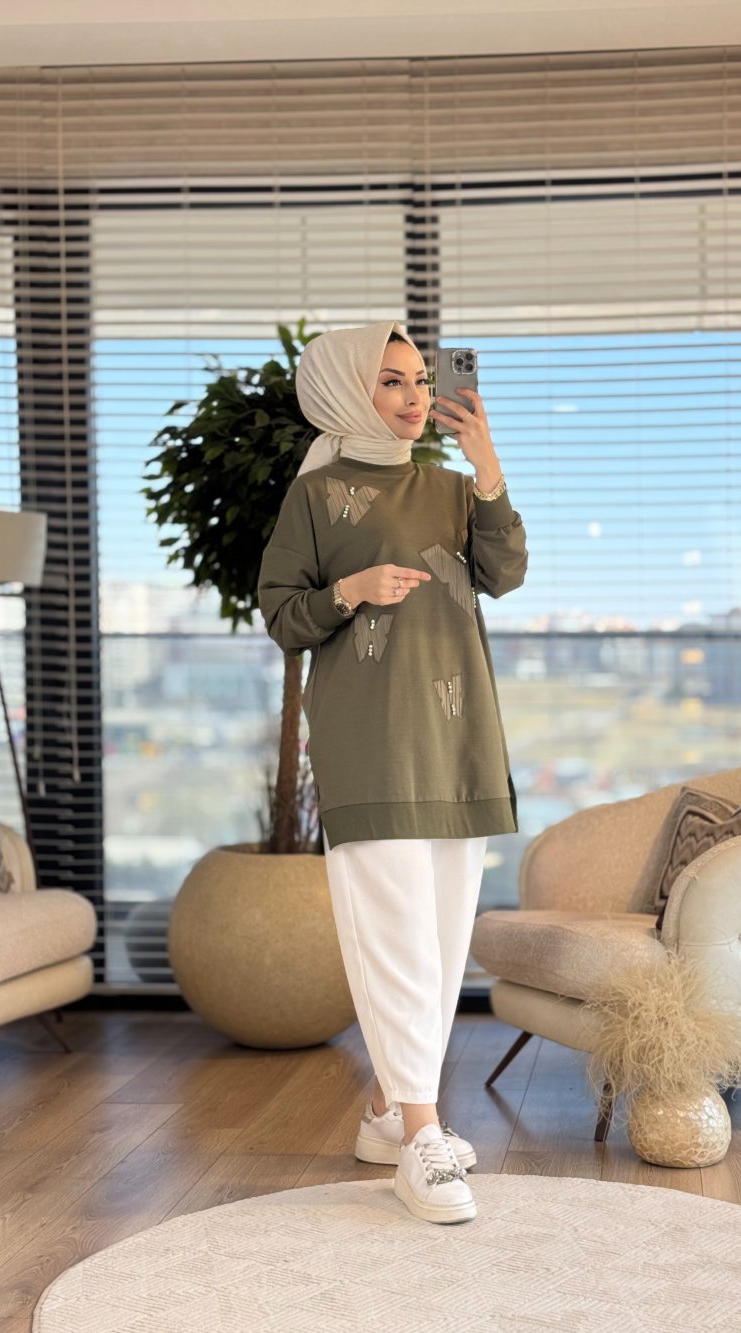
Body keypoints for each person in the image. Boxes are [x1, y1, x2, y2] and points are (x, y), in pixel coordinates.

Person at [257, 320, 528, 1224]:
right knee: (395, 936)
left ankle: (385, 1112)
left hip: (458, 739)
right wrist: (352, 589)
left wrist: (486, 465)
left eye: (420, 380)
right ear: (346, 389)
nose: (415, 397)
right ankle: (421, 1134)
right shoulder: (315, 494)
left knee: (441, 941)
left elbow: (505, 572)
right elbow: (282, 613)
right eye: (391, 381)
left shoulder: (451, 488)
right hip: (368, 742)